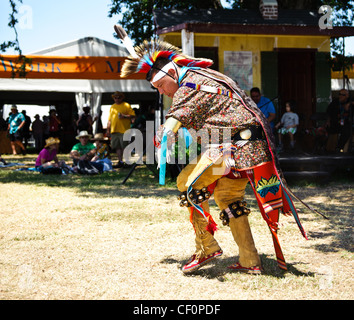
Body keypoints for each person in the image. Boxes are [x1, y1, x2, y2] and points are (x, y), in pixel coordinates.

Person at [118, 36, 308, 275]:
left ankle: (206, 247)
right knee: (227, 197)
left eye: (161, 85)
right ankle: (250, 260)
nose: (163, 92)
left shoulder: (190, 83)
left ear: (172, 73)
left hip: (232, 149)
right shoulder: (205, 78)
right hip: (248, 147)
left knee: (186, 183)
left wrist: (163, 134)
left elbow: (177, 117)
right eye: (157, 89)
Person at [107, 91, 136, 167]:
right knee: (117, 147)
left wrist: (124, 116)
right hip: (114, 130)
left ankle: (127, 162)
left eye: (118, 97)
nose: (117, 99)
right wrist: (108, 130)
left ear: (122, 97)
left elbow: (133, 116)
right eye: (115, 97)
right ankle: (120, 161)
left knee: (125, 147)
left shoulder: (126, 105)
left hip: (124, 130)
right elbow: (109, 120)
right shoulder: (112, 107)